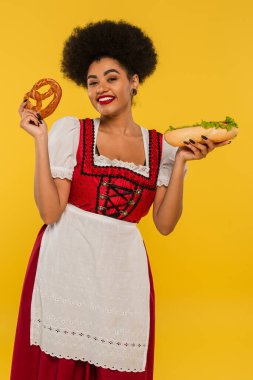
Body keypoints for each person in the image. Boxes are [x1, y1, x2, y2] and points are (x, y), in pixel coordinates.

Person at [10, 19, 231, 380]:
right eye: (92, 82)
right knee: (60, 367)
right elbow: (51, 212)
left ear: (134, 80)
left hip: (120, 271)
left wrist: (182, 166)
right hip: (67, 261)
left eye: (111, 78)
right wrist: (39, 141)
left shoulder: (163, 148)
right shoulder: (72, 132)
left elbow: (164, 224)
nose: (101, 89)